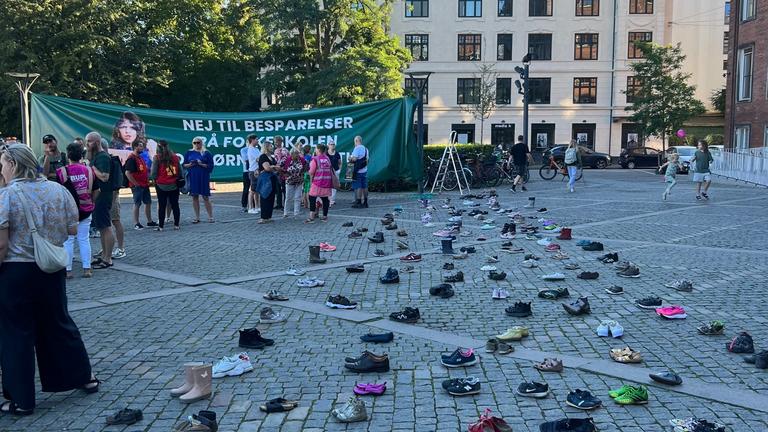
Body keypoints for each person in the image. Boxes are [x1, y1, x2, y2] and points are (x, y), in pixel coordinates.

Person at [0, 144, 99, 415]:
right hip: (51, 268)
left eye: (2, 165)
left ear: (12, 164)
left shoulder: (7, 195)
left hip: (16, 271)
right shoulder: (58, 189)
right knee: (59, 323)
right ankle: (83, 377)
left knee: (16, 332)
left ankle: (21, 399)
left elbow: (1, 243)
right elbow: (71, 228)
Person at [56, 143, 95, 279]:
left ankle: (68, 270)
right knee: (84, 239)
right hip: (86, 208)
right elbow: (96, 190)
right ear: (81, 155)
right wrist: (92, 201)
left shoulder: (61, 172)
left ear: (68, 155)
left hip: (68, 211)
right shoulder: (89, 170)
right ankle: (87, 269)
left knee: (68, 240)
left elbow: (59, 193)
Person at [86, 133, 116, 269]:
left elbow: (104, 177)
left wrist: (92, 168)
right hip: (98, 195)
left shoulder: (103, 157)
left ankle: (108, 258)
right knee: (101, 227)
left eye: (89, 142)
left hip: (103, 195)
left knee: (106, 226)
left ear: (97, 142)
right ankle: (104, 255)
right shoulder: (96, 156)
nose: (87, 144)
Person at [124, 141, 157, 230]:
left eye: (142, 146)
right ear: (135, 147)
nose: (142, 148)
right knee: (137, 203)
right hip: (137, 186)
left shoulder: (140, 158)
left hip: (144, 184)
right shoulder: (132, 159)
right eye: (140, 146)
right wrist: (135, 184)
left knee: (148, 202)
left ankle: (149, 221)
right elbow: (127, 173)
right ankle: (136, 223)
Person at [150, 140, 183, 230]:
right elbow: (180, 171)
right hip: (174, 184)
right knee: (175, 204)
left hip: (161, 184)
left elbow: (153, 173)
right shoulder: (175, 157)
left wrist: (155, 179)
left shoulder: (157, 158)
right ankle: (176, 225)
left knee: (162, 205)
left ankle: (161, 226)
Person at [103, 139, 126, 260]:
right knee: (107, 223)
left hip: (112, 195)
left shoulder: (110, 161)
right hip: (107, 196)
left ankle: (121, 248)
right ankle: (107, 247)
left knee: (115, 221)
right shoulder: (107, 160)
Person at [183, 137, 215, 223]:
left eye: (198, 142)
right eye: (195, 143)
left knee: (205, 197)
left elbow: (211, 166)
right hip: (193, 177)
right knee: (194, 197)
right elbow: (184, 165)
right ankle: (197, 217)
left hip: (203, 177)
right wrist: (190, 164)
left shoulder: (206, 153)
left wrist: (201, 164)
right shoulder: (189, 152)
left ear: (202, 143)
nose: (197, 144)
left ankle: (210, 216)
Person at [306, 143, 333, 223]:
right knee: (325, 199)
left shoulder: (315, 159)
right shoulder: (327, 158)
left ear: (318, 150)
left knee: (312, 197)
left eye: (315, 149)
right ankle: (325, 216)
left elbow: (311, 171)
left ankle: (311, 217)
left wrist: (308, 172)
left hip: (318, 182)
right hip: (327, 182)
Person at [256, 142, 281, 223]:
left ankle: (269, 216)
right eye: (270, 146)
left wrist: (274, 167)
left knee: (271, 197)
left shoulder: (272, 158)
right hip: (265, 179)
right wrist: (274, 167)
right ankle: (263, 217)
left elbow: (278, 168)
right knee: (265, 196)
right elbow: (267, 168)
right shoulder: (263, 157)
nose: (272, 147)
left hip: (272, 178)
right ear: (266, 147)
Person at [283, 149, 308, 218]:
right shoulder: (287, 160)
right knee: (288, 197)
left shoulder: (302, 160)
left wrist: (303, 173)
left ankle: (296, 212)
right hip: (289, 181)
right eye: (295, 154)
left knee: (298, 197)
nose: (297, 155)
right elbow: (281, 167)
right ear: (291, 154)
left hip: (299, 181)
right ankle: (286, 212)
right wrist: (284, 174)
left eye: (298, 153)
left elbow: (307, 167)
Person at [349, 135, 369, 208]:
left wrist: (350, 158)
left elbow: (354, 159)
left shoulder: (357, 148)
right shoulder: (366, 149)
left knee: (358, 186)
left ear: (357, 141)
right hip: (365, 170)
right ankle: (366, 202)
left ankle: (359, 202)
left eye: (355, 141)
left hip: (358, 171)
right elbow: (367, 160)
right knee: (365, 186)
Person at [273, 136, 289, 210]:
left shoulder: (284, 150)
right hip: (277, 171)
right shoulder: (275, 150)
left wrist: (279, 167)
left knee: (284, 189)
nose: (275, 143)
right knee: (278, 188)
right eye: (274, 141)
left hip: (282, 171)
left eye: (276, 141)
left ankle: (286, 205)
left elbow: (285, 160)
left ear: (280, 142)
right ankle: (279, 204)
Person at [247, 135, 261, 214]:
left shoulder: (256, 149)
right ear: (252, 140)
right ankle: (250, 208)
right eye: (256, 139)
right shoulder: (251, 149)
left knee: (256, 190)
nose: (257, 141)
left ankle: (257, 206)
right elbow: (258, 159)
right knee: (252, 190)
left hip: (257, 171)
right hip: (253, 171)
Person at [327, 139, 342, 205]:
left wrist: (339, 170)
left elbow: (340, 163)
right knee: (328, 185)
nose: (332, 146)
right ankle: (328, 199)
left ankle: (332, 200)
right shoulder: (326, 153)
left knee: (334, 186)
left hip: (336, 171)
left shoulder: (337, 154)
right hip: (328, 172)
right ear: (328, 145)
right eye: (331, 144)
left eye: (333, 144)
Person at [239, 141, 250, 212]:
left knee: (255, 190)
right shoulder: (244, 150)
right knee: (246, 189)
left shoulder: (256, 149)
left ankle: (254, 205)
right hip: (246, 171)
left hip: (254, 171)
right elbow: (246, 159)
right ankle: (244, 205)